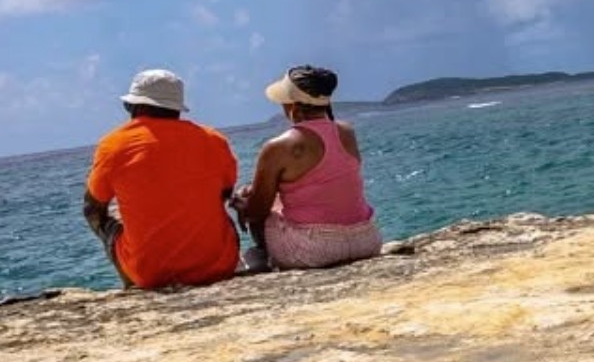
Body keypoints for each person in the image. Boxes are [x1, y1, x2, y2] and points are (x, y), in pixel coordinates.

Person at [84, 69, 240, 289]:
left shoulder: (113, 145)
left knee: (99, 208)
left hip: (150, 274)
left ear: (133, 106)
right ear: (177, 108)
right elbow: (224, 193)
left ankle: (131, 282)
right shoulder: (214, 139)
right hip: (218, 266)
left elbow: (92, 206)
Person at [231, 65, 381, 271]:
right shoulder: (346, 132)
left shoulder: (278, 146)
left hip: (314, 250)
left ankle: (261, 255)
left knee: (252, 200)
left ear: (293, 107)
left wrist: (242, 204)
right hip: (366, 240)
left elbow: (257, 211)